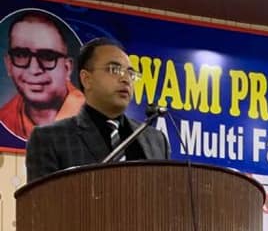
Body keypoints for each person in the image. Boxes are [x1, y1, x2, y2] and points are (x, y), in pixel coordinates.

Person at [25, 37, 170, 182]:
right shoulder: (49, 139)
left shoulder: (156, 140)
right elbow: (43, 196)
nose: (126, 79)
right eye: (114, 70)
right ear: (86, 79)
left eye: (130, 73)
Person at [0, 10, 84, 140]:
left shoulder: (89, 118)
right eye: (21, 55)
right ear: (9, 65)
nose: (34, 70)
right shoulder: (6, 118)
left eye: (47, 56)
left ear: (67, 68)